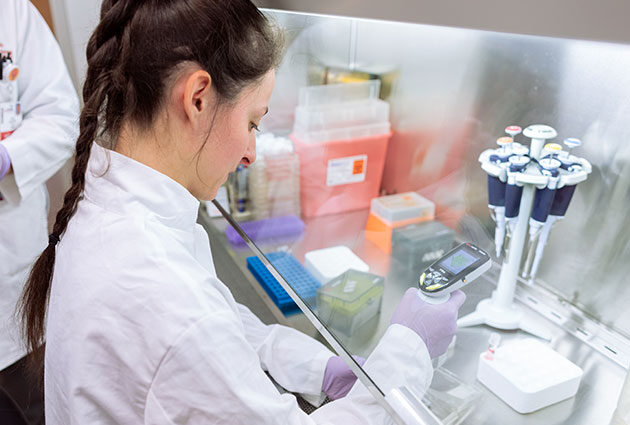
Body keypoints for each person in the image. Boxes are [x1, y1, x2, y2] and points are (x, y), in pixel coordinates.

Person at [18, 1, 465, 424]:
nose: (251, 153)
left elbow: (222, 328)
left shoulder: (115, 209)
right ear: (197, 97)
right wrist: (409, 350)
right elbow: (196, 334)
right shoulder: (163, 295)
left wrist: (318, 368)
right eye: (252, 121)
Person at [0, 1, 79, 424]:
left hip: (11, 282)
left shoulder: (12, 13)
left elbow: (61, 116)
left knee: (36, 409)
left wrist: (9, 158)